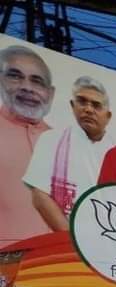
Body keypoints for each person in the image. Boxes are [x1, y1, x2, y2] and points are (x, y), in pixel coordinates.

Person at [24, 75, 114, 231]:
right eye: (82, 102)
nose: (88, 109)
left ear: (108, 116)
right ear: (73, 106)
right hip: (59, 241)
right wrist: (70, 240)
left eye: (96, 105)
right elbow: (40, 195)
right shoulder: (52, 140)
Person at [0, 44, 54, 248]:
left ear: (50, 93)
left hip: (56, 269)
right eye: (15, 76)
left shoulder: (63, 143)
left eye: (36, 81)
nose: (27, 87)